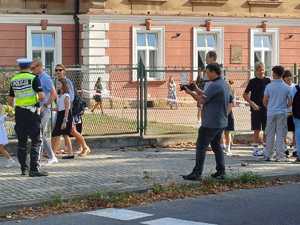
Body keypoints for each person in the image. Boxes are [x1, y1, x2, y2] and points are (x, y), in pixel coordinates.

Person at [182, 63, 230, 181]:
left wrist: (190, 92)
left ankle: (197, 173)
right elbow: (207, 95)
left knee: (201, 146)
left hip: (210, 122)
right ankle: (221, 171)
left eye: (208, 72)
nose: (206, 75)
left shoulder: (214, 85)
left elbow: (202, 99)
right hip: (221, 121)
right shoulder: (223, 83)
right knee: (216, 146)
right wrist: (196, 89)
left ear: (214, 72)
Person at [8, 58, 48, 177]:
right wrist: (39, 99)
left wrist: (14, 111)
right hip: (32, 113)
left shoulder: (14, 79)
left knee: (22, 142)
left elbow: (10, 100)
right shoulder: (33, 78)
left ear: (19, 67)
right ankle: (34, 169)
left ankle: (23, 169)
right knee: (36, 140)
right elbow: (41, 96)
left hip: (19, 113)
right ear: (29, 66)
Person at [55, 64, 91, 157]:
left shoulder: (67, 82)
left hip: (71, 110)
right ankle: (67, 149)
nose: (58, 72)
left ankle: (85, 147)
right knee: (67, 131)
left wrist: (67, 114)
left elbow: (70, 97)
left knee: (72, 130)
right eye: (56, 70)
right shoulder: (58, 81)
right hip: (63, 110)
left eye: (60, 70)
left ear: (64, 71)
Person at [30, 59, 58, 165]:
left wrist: (45, 105)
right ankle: (50, 156)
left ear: (39, 67)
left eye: (33, 68)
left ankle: (43, 158)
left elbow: (54, 94)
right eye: (31, 68)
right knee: (39, 133)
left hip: (44, 110)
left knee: (39, 133)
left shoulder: (45, 78)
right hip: (38, 109)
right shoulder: (37, 77)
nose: (31, 70)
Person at [263, 66, 291, 161]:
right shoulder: (287, 87)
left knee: (270, 134)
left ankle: (268, 155)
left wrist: (269, 107)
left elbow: (265, 100)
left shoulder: (269, 86)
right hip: (282, 113)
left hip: (271, 112)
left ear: (274, 74)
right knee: (281, 135)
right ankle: (280, 156)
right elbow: (290, 101)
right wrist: (285, 107)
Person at [243, 63, 271, 155]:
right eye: (259, 70)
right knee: (256, 129)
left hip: (266, 109)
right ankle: (255, 150)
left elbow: (272, 94)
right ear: (255, 71)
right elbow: (245, 94)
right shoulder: (252, 81)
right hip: (255, 109)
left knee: (266, 130)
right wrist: (252, 103)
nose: (261, 72)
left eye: (262, 70)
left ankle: (266, 149)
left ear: (264, 70)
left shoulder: (268, 81)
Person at [51, 78, 74, 159]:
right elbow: (59, 108)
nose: (57, 85)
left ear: (63, 85)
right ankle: (69, 153)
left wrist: (65, 120)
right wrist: (50, 108)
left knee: (63, 134)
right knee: (59, 134)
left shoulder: (66, 95)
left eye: (59, 84)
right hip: (60, 114)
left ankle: (69, 153)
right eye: (57, 84)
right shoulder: (59, 96)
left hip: (65, 116)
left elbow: (67, 108)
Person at [282, 70, 296, 157]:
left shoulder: (295, 87)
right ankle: (285, 148)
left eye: (290, 78)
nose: (289, 80)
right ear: (283, 79)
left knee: (295, 131)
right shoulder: (282, 88)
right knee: (284, 132)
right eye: (287, 79)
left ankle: (295, 148)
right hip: (284, 113)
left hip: (294, 113)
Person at [0, 103, 17, 168]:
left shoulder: (3, 116)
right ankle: (10, 160)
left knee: (1, 148)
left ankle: (10, 160)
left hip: (1, 133)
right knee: (1, 148)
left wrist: (16, 115)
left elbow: (11, 118)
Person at [222, 80, 235, 156]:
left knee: (227, 132)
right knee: (220, 133)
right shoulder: (220, 94)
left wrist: (225, 114)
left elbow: (230, 106)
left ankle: (228, 148)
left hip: (228, 116)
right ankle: (222, 146)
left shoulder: (229, 95)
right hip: (220, 115)